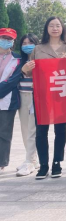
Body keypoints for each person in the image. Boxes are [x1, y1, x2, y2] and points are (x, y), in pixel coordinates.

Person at [25, 17, 66, 179]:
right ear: (46, 29)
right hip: (42, 94)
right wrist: (25, 69)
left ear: (62, 28)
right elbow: (30, 71)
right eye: (51, 25)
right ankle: (43, 165)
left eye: (58, 25)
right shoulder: (38, 48)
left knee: (60, 130)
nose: (55, 28)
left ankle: (57, 163)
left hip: (61, 93)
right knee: (41, 130)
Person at [15, 33, 39, 176]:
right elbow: (12, 78)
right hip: (22, 97)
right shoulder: (19, 61)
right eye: (24, 43)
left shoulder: (40, 59)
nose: (27, 45)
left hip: (36, 97)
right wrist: (22, 70)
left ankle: (30, 161)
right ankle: (32, 159)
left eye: (30, 42)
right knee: (25, 130)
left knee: (32, 130)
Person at [0, 28, 23, 175]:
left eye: (9, 39)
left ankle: (2, 162)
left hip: (7, 99)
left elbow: (13, 80)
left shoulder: (18, 59)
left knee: (4, 132)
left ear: (13, 41)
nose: (6, 41)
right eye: (3, 38)